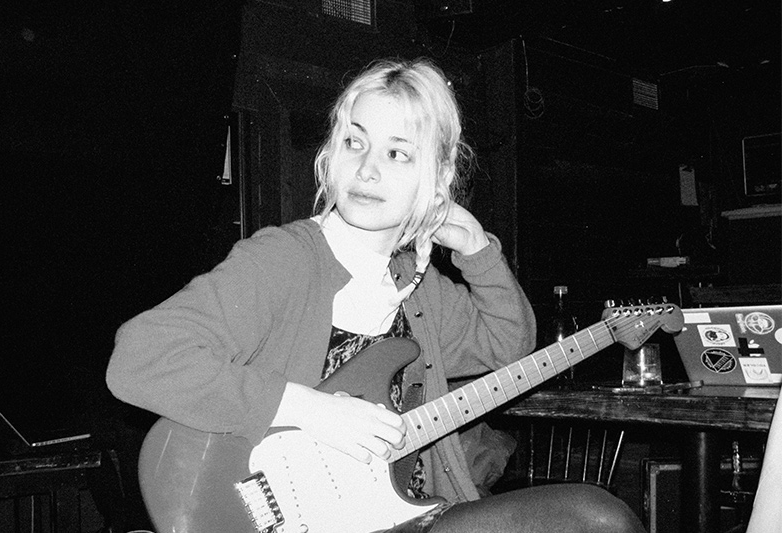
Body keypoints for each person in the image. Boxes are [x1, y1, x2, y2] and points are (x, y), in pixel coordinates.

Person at [107, 57, 645, 533]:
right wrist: (310, 409)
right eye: (354, 142)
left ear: (437, 179)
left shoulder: (421, 287)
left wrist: (479, 252)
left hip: (411, 514)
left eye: (397, 153)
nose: (367, 168)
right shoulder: (283, 259)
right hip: (287, 515)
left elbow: (507, 347)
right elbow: (138, 359)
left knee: (598, 518)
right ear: (330, 154)